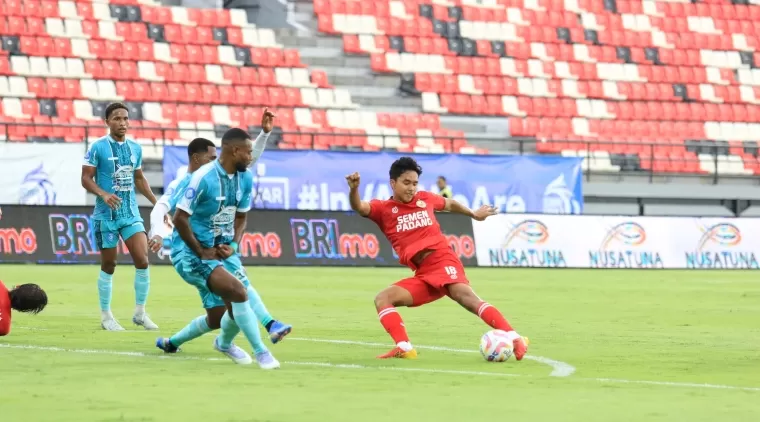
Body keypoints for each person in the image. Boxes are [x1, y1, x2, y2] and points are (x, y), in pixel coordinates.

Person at [346, 157, 529, 360]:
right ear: (393, 183)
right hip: (423, 273)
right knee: (383, 299)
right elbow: (359, 207)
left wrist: (474, 214)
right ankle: (404, 347)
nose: (411, 188)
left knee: (466, 298)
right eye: (406, 183)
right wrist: (354, 190)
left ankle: (514, 337)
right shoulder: (383, 209)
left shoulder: (425, 198)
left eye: (415, 183)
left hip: (442, 260)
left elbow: (449, 203)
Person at [150, 133, 291, 357]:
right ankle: (268, 325)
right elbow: (163, 207)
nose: (217, 160)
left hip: (214, 250)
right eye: (211, 157)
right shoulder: (189, 182)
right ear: (196, 159)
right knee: (239, 289)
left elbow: (247, 157)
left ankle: (172, 343)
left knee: (217, 317)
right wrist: (157, 233)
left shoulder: (230, 177)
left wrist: (264, 134)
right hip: (189, 252)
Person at [81, 102, 162, 331]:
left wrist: (158, 204)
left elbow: (139, 179)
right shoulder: (97, 148)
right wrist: (103, 194)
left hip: (130, 213)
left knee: (143, 260)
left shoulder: (135, 148)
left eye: (125, 118)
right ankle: (107, 316)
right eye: (117, 118)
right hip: (105, 215)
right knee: (109, 264)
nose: (122, 123)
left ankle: (140, 313)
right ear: (107, 122)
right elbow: (86, 179)